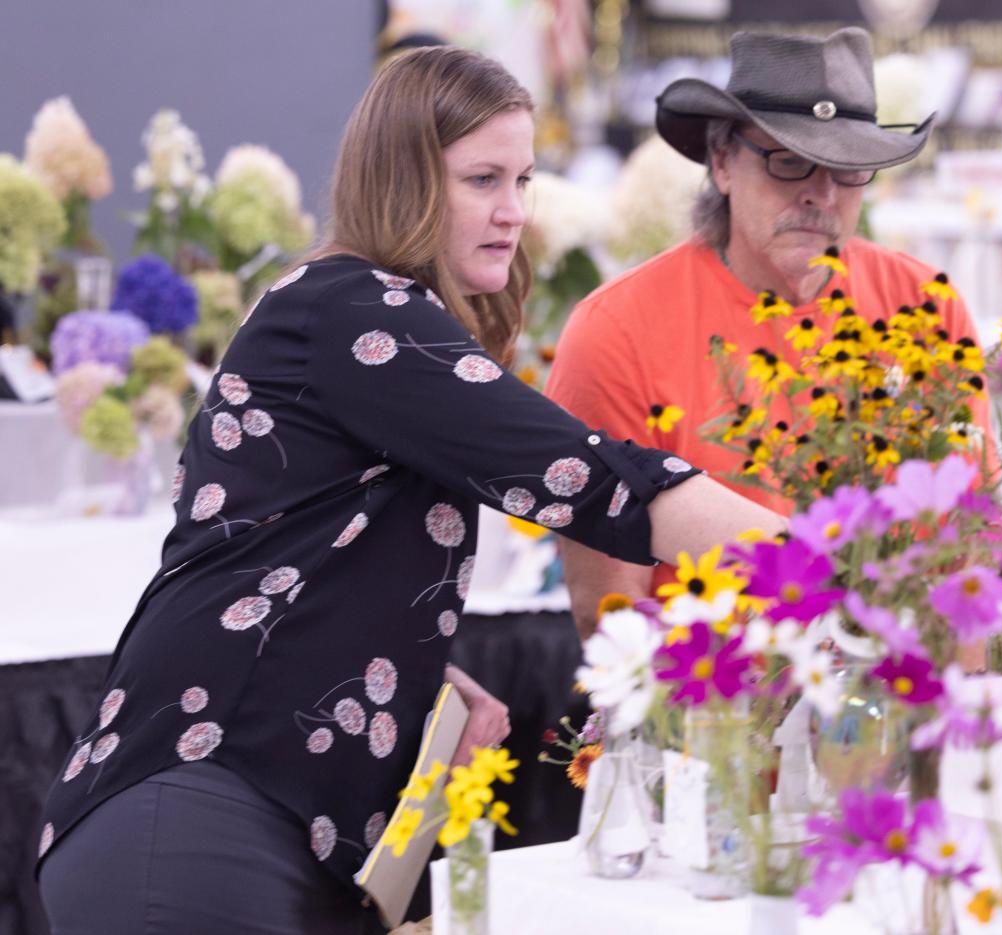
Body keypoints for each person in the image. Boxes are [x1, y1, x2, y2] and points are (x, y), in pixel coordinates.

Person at [37, 46, 782, 935]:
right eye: (482, 180)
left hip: (251, 829)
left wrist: (413, 677)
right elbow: (592, 480)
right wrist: (836, 560)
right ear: (402, 182)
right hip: (202, 822)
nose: (514, 213)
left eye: (523, 179)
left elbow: (288, 551)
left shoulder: (356, 317)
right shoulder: (354, 311)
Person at [545, 28, 994, 638]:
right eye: (789, 159)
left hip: (898, 687)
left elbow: (973, 542)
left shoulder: (924, 306)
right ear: (723, 161)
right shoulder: (616, 332)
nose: (822, 193)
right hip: (713, 704)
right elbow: (611, 615)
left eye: (849, 166)